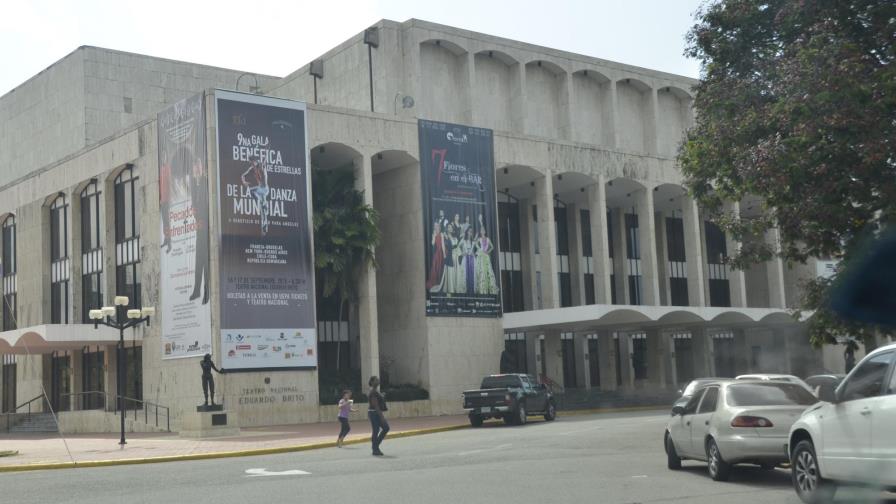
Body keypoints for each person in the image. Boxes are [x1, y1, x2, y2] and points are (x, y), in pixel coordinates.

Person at [189, 155, 210, 304]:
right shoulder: (194, 184)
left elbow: (206, 205)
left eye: (199, 165)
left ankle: (207, 291)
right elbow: (194, 205)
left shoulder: (205, 182)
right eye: (195, 166)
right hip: (199, 228)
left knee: (205, 259)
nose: (197, 168)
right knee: (198, 260)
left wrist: (202, 219)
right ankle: (197, 289)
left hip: (207, 228)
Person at [240, 156, 270, 235]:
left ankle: (262, 203)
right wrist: (244, 182)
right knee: (263, 211)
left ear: (256, 161)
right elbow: (243, 175)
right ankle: (265, 227)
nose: (252, 164)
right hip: (259, 190)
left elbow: (263, 163)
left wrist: (263, 160)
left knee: (253, 191)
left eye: (253, 162)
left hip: (265, 189)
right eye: (251, 163)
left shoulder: (260, 165)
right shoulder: (251, 169)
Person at [367, 376, 389, 456]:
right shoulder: (373, 392)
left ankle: (375, 446)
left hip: (375, 413)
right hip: (374, 413)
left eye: (378, 380)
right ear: (372, 382)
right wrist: (381, 417)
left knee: (385, 428)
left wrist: (381, 396)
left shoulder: (375, 391)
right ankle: (375, 448)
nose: (378, 381)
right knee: (376, 430)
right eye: (376, 380)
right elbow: (375, 405)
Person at [475, 228, 499, 295]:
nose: (482, 231)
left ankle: (489, 288)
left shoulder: (488, 239)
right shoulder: (479, 239)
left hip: (486, 256)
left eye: (483, 230)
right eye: (481, 230)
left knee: (488, 270)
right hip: (481, 256)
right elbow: (475, 244)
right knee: (482, 271)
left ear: (485, 231)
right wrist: (479, 249)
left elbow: (492, 247)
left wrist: (488, 251)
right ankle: (482, 289)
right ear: (480, 232)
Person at [426, 222, 446, 292]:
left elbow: (443, 245)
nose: (436, 227)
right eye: (435, 226)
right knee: (435, 266)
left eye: (437, 225)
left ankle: (440, 282)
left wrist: (444, 254)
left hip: (441, 252)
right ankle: (435, 282)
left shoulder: (442, 234)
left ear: (439, 226)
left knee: (441, 267)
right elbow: (432, 243)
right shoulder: (433, 234)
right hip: (437, 253)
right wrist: (434, 236)